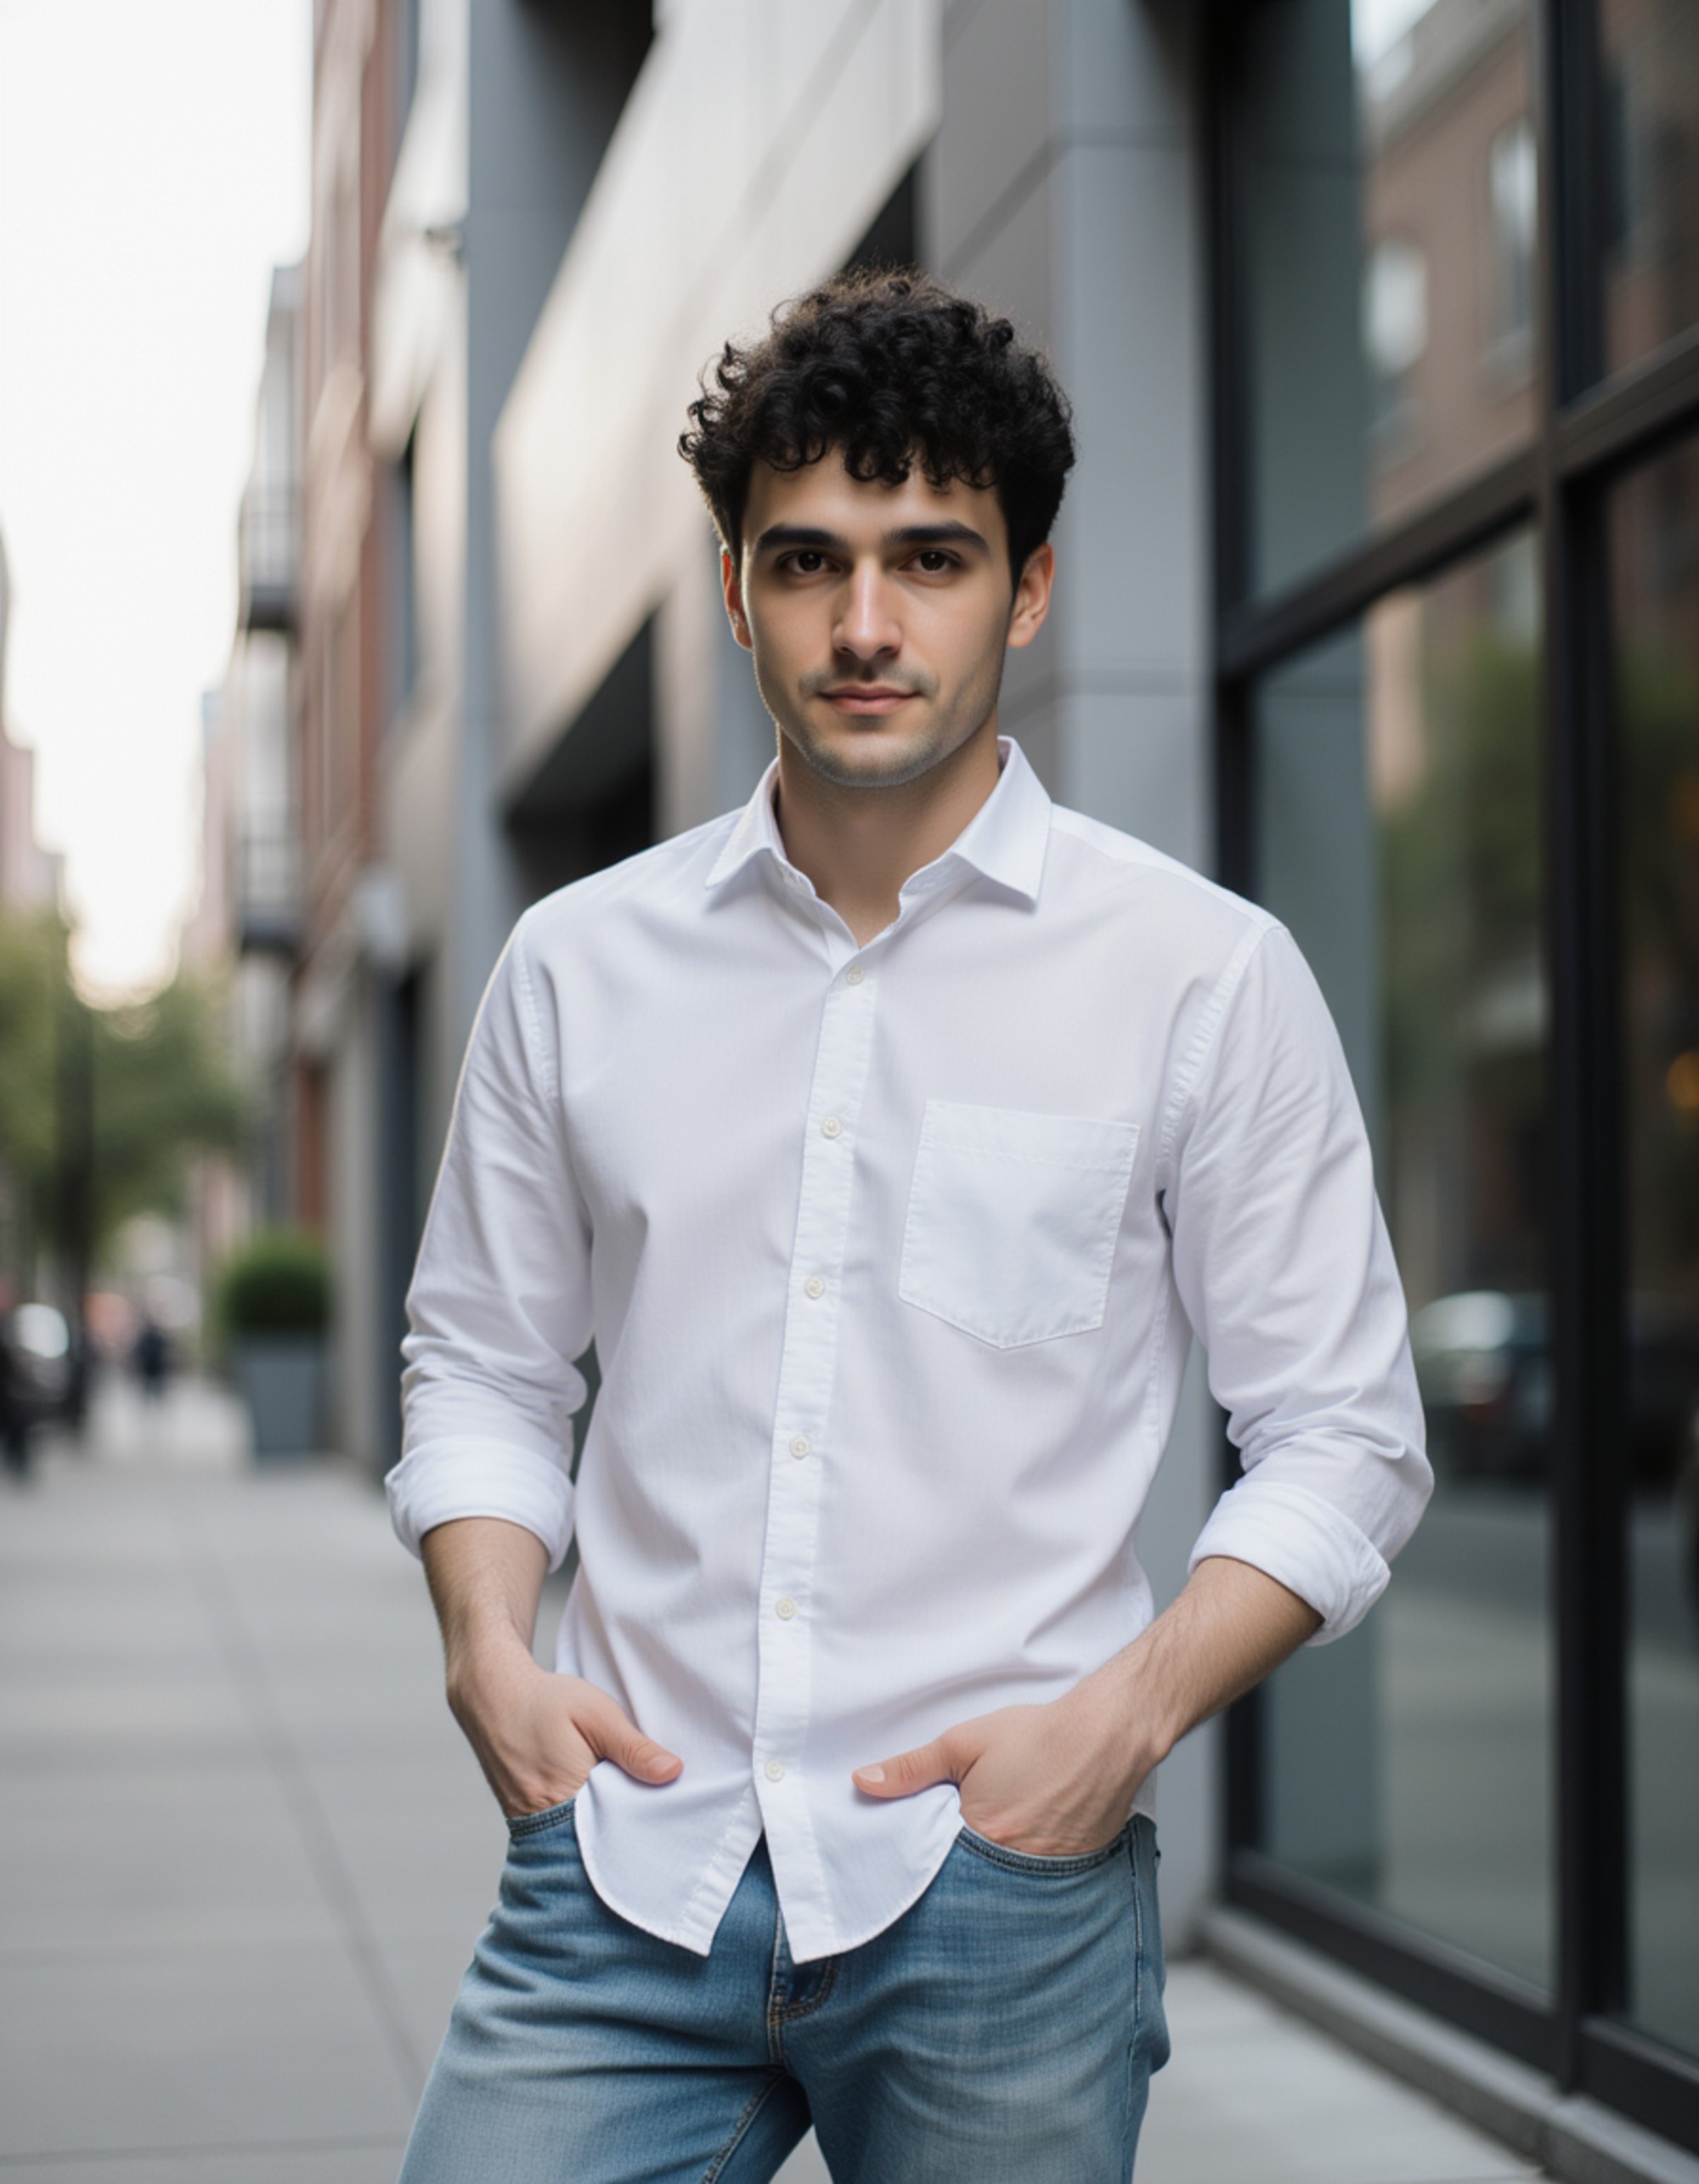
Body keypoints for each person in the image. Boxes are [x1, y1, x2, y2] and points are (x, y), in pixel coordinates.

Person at [387, 270, 1431, 2182]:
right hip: (628, 1861)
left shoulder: (1197, 975)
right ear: (732, 590)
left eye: (930, 557)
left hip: (999, 1901)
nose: (865, 624)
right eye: (805, 561)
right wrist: (485, 1641)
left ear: (1026, 587)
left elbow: (1347, 1433)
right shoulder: (574, 965)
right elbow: (482, 1357)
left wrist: (1114, 1727)